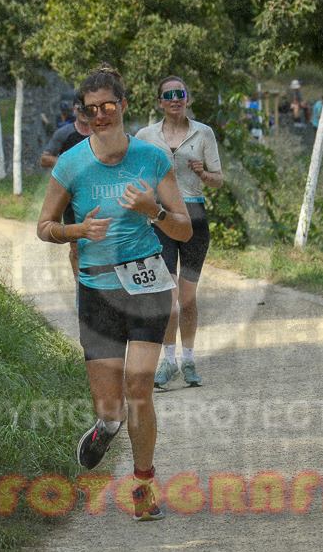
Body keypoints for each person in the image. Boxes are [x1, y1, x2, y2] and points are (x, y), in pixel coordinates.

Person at [36, 65, 191, 521]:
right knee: (110, 408)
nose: (101, 115)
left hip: (146, 284)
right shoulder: (72, 164)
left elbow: (182, 229)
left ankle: (144, 484)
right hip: (97, 292)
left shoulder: (151, 159)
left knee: (140, 384)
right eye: (91, 110)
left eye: (108, 106)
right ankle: (106, 427)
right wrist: (76, 230)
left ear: (122, 106)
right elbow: (44, 227)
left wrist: (153, 210)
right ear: (82, 116)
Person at [136, 76, 224, 390]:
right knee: (167, 297)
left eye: (180, 94)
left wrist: (203, 173)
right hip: (160, 218)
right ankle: (168, 360)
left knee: (187, 299)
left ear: (188, 98)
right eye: (168, 95)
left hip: (194, 214)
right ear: (160, 102)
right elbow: (134, 175)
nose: (175, 99)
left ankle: (188, 360)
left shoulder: (204, 133)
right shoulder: (145, 136)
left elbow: (218, 180)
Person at [40, 95, 92, 278]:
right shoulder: (64, 133)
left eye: (87, 108)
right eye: (79, 108)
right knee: (77, 246)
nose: (83, 112)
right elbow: (44, 159)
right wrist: (67, 163)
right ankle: (81, 288)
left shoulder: (100, 132)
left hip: (98, 194)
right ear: (73, 110)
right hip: (72, 197)